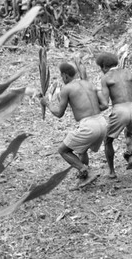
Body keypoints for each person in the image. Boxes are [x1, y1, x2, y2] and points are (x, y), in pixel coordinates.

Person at [40, 62, 108, 190]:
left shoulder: (67, 88)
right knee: (82, 150)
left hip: (89, 125)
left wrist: (47, 103)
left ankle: (84, 170)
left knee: (63, 150)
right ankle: (83, 180)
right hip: (102, 122)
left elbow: (59, 113)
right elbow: (104, 105)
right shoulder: (88, 83)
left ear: (65, 76)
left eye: (62, 77)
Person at [96, 52, 132, 179]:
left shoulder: (106, 78)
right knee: (129, 133)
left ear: (104, 67)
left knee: (108, 140)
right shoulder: (128, 72)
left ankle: (111, 171)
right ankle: (131, 155)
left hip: (120, 110)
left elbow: (105, 103)